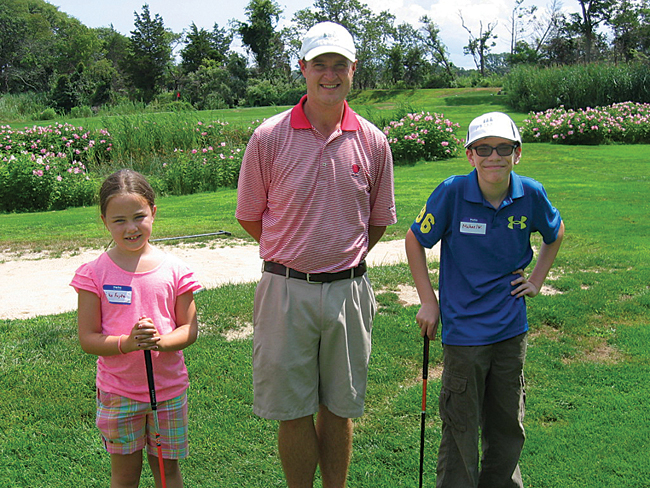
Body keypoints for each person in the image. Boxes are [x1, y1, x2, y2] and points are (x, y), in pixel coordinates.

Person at [235, 21, 396, 488]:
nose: (330, 75)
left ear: (353, 70)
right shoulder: (269, 136)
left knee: (340, 408)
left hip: (348, 290)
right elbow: (250, 216)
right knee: (292, 410)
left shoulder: (372, 140)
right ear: (302, 68)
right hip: (286, 289)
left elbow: (378, 220)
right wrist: (295, 250)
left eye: (339, 65)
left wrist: (338, 254)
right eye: (319, 65)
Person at [405, 112, 565, 488]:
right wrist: (429, 301)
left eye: (504, 148)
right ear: (470, 155)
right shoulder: (452, 192)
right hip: (464, 334)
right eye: (484, 148)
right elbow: (415, 241)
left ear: (517, 153)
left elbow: (554, 234)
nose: (495, 156)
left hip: (511, 331)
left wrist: (537, 280)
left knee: (508, 423)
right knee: (461, 426)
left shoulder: (532, 194)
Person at [71, 169, 202, 488]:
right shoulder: (93, 274)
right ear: (104, 220)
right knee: (125, 476)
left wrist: (161, 342)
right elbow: (88, 339)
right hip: (119, 393)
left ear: (153, 213)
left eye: (139, 216)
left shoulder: (176, 270)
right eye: (119, 220)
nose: (130, 228)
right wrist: (127, 344)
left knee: (167, 473)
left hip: (168, 392)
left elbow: (189, 329)